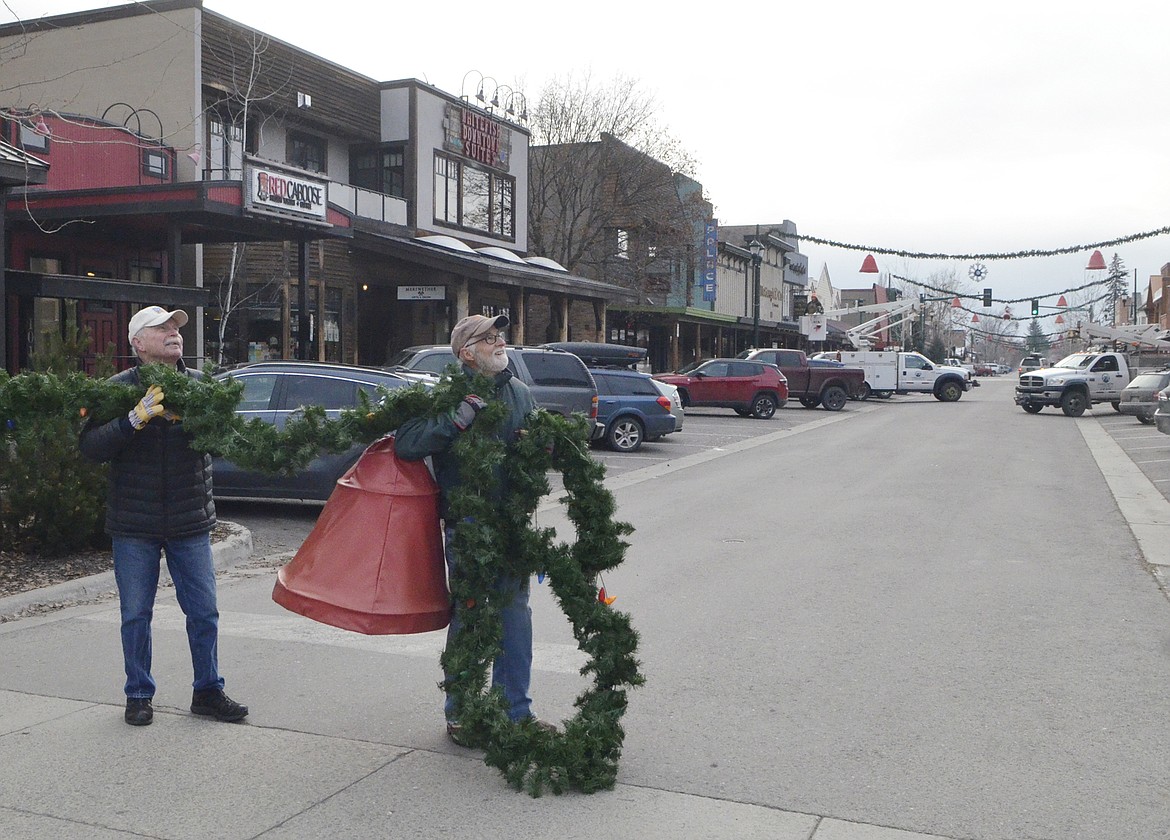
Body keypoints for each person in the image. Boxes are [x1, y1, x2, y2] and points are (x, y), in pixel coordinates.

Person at [80, 306, 248, 727]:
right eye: (162, 328)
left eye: (176, 328)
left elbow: (228, 442)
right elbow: (90, 448)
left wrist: (201, 421)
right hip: (134, 525)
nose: (174, 333)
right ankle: (138, 695)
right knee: (136, 614)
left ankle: (207, 691)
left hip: (190, 520)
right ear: (138, 343)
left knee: (204, 611)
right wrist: (132, 420)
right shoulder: (116, 391)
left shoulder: (199, 387)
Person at [395, 313, 553, 744]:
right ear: (467, 353)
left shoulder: (518, 392)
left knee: (515, 619)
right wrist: (456, 419)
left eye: (499, 335)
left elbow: (539, 448)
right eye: (488, 338)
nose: (499, 342)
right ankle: (461, 713)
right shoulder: (447, 396)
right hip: (467, 527)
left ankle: (514, 711)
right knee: (469, 615)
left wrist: (541, 447)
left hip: (512, 524)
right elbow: (407, 444)